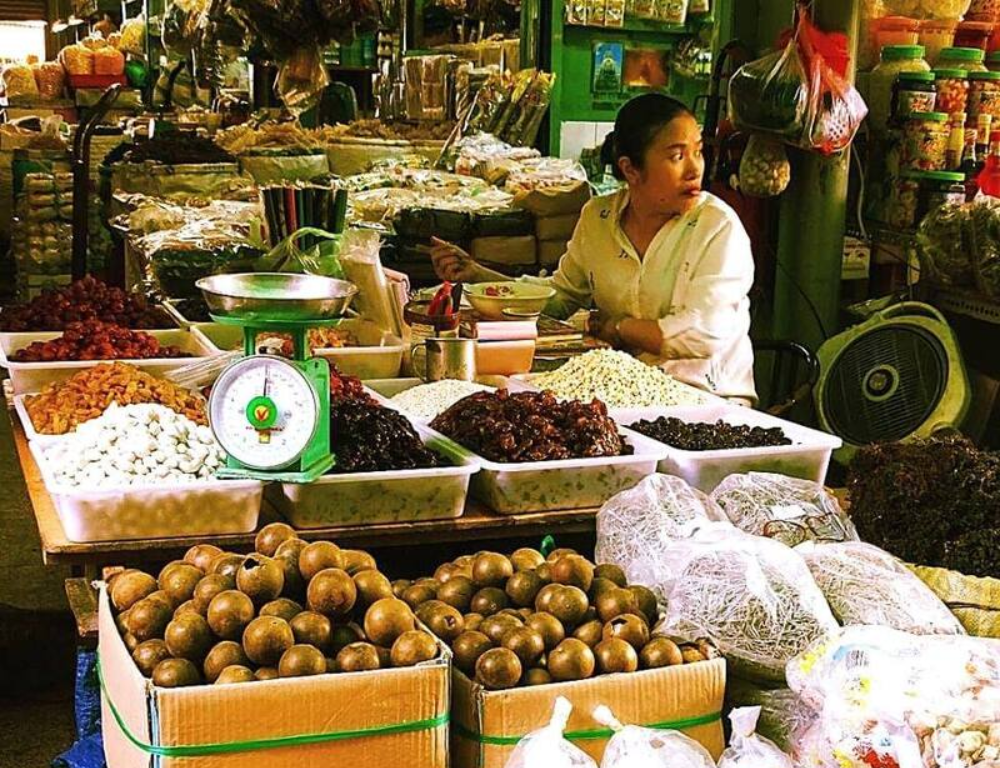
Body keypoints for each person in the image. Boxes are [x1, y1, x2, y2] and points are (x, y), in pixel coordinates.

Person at [430, 93, 757, 404]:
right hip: (632, 392)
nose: (695, 168)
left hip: (709, 395)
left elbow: (702, 333)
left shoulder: (716, 227)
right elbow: (559, 297)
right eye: (677, 156)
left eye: (697, 151)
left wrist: (619, 327)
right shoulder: (598, 218)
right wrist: (479, 276)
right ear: (630, 169)